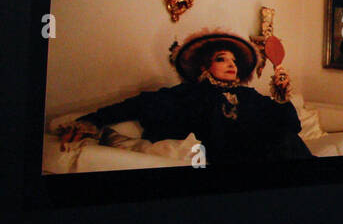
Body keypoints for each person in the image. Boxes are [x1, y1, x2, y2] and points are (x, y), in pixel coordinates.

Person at [56, 30, 312, 165]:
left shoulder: (247, 94)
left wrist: (281, 98)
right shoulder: (189, 94)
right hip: (229, 159)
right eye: (221, 59)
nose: (231, 64)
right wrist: (89, 122)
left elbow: (292, 126)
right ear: (204, 66)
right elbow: (135, 105)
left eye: (234, 60)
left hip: (266, 154)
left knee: (287, 140)